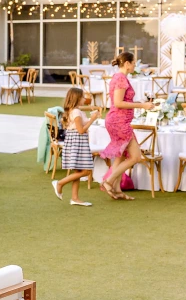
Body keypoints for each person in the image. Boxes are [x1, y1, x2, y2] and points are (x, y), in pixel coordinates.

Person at [100, 51, 156, 201]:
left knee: (120, 156)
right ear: (127, 63)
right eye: (133, 62)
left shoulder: (120, 78)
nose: (135, 65)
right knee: (135, 157)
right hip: (118, 122)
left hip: (119, 121)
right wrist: (142, 105)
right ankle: (109, 181)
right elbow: (118, 103)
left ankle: (117, 190)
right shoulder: (120, 79)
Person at [53, 87, 100, 207]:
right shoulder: (76, 112)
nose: (85, 99)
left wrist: (91, 116)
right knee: (86, 171)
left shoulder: (74, 110)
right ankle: (60, 183)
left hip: (76, 141)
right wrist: (93, 119)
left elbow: (79, 124)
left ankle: (75, 198)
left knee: (78, 170)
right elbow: (81, 130)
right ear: (77, 98)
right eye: (83, 97)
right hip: (77, 140)